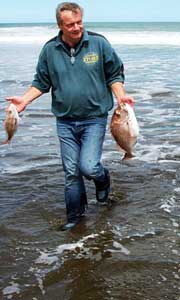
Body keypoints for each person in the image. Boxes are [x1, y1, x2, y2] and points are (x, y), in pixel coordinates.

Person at [6, 2, 134, 230]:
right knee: (71, 172)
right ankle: (75, 216)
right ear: (60, 26)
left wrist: (122, 97)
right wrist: (24, 101)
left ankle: (103, 180)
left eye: (79, 22)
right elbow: (42, 82)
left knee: (89, 166)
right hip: (65, 121)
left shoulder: (98, 43)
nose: (76, 28)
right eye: (70, 24)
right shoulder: (50, 49)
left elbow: (114, 74)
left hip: (94, 118)